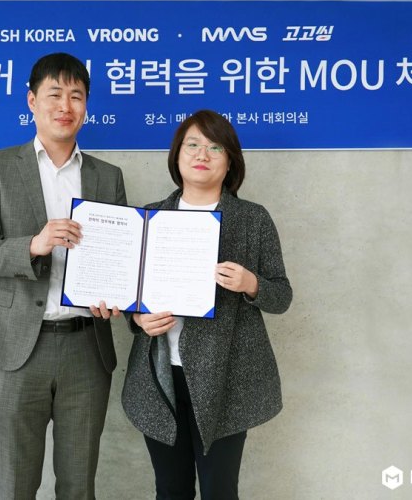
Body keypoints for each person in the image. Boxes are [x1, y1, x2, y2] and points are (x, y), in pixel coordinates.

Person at [0, 52, 125, 500]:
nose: (65, 106)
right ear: (32, 101)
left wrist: (116, 296)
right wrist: (33, 245)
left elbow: (119, 257)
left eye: (76, 96)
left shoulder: (108, 177)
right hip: (17, 348)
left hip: (86, 348)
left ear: (86, 106)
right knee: (17, 483)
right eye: (55, 94)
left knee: (79, 485)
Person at [119, 110, 293, 500]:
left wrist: (251, 284)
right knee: (170, 489)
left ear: (230, 161)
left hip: (228, 377)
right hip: (160, 375)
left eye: (215, 148)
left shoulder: (252, 219)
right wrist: (138, 318)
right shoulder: (149, 217)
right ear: (177, 155)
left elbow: (282, 295)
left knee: (220, 490)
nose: (202, 154)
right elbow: (129, 295)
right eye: (193, 145)